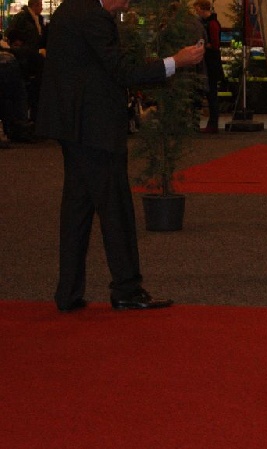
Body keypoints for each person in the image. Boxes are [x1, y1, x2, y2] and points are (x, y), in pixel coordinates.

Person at [36, 0, 205, 312]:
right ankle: (127, 289)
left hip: (74, 125)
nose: (126, 4)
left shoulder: (72, 9)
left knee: (77, 210)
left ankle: (68, 292)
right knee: (116, 210)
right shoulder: (93, 16)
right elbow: (122, 71)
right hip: (93, 127)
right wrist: (175, 62)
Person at [7, 0, 45, 121]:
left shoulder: (38, 19)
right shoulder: (23, 17)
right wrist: (20, 44)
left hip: (32, 57)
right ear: (35, 5)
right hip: (27, 58)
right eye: (40, 5)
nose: (42, 8)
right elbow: (11, 33)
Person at [193, 0, 224, 133]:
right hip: (210, 62)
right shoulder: (210, 22)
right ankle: (211, 123)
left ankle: (213, 123)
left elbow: (215, 44)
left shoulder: (211, 24)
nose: (196, 12)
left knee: (211, 94)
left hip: (211, 63)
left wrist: (203, 46)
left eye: (197, 9)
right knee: (210, 94)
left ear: (201, 8)